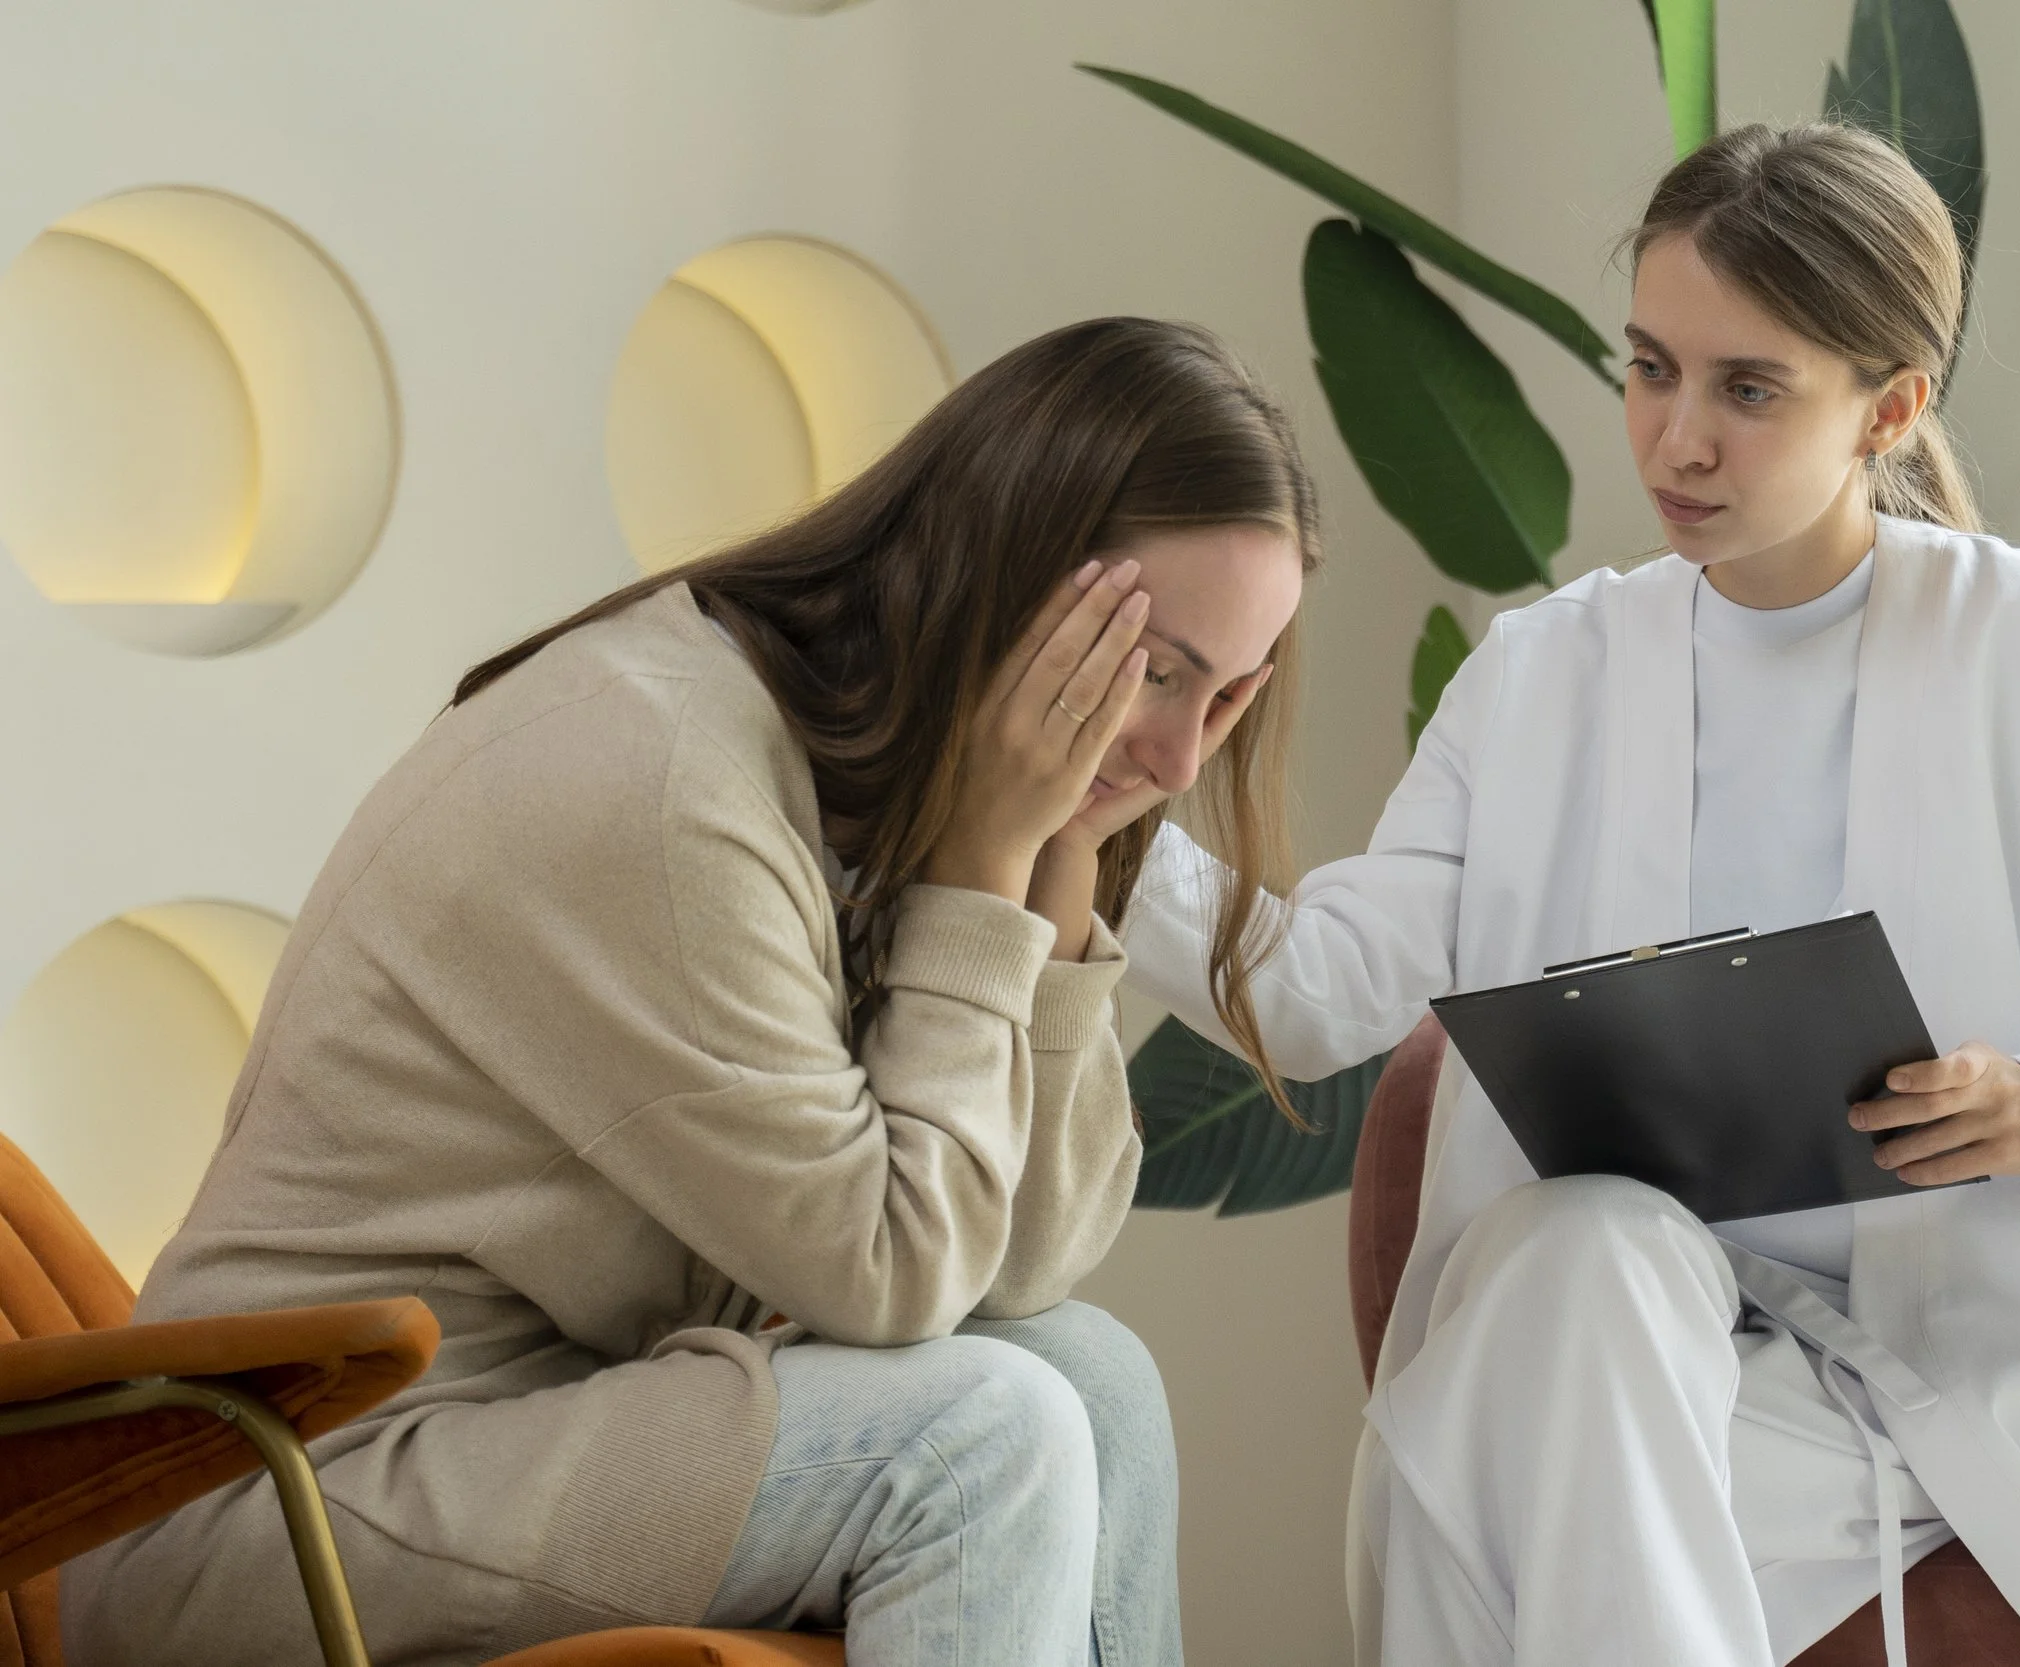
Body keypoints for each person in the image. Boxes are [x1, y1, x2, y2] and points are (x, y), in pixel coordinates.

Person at [1119, 124, 2020, 1667]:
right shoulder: (1540, 674)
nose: (1677, 439)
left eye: (1748, 389)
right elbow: (1321, 989)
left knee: (1531, 1444)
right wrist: (1077, 821)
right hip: (1646, 1368)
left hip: (1974, 1370)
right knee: (1580, 1256)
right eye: (1650, 368)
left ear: (1888, 405)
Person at [62, 317, 1315, 1667]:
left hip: (528, 1426)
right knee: (981, 1443)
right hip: (278, 1493)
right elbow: (894, 1275)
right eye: (1158, 670)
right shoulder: (667, 781)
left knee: (1097, 1380)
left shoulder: (885, 772)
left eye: (1230, 698)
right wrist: (988, 873)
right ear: (1013, 576)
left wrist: (1055, 874)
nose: (1185, 758)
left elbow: (1018, 1264)